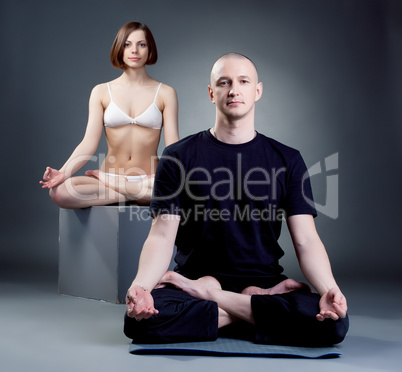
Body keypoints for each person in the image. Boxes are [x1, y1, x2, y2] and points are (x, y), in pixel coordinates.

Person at [123, 53, 349, 346]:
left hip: (259, 280)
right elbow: (161, 237)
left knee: (333, 325)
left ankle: (214, 298)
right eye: (224, 82)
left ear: (257, 91)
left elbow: (306, 240)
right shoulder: (177, 157)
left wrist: (330, 290)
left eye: (243, 81)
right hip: (192, 278)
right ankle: (254, 309)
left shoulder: (288, 159)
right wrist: (140, 286)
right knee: (139, 322)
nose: (233, 90)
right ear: (211, 93)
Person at [40, 22, 179, 208]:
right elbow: (89, 143)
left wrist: (167, 175)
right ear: (119, 48)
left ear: (150, 49)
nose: (134, 50)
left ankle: (130, 191)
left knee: (178, 187)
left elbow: (173, 147)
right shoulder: (101, 91)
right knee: (59, 192)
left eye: (142, 44)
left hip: (148, 178)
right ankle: (135, 194)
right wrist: (64, 173)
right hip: (109, 177)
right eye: (128, 44)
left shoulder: (165, 93)